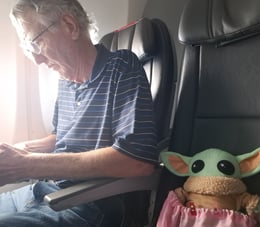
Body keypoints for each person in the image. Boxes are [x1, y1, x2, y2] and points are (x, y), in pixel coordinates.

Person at [0, 0, 158, 226]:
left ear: (70, 26)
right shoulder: (65, 82)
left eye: (35, 43)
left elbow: (136, 161)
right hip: (45, 191)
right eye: (28, 48)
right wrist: (19, 151)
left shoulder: (122, 67)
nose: (36, 59)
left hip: (86, 202)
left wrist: (25, 165)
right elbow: (60, 138)